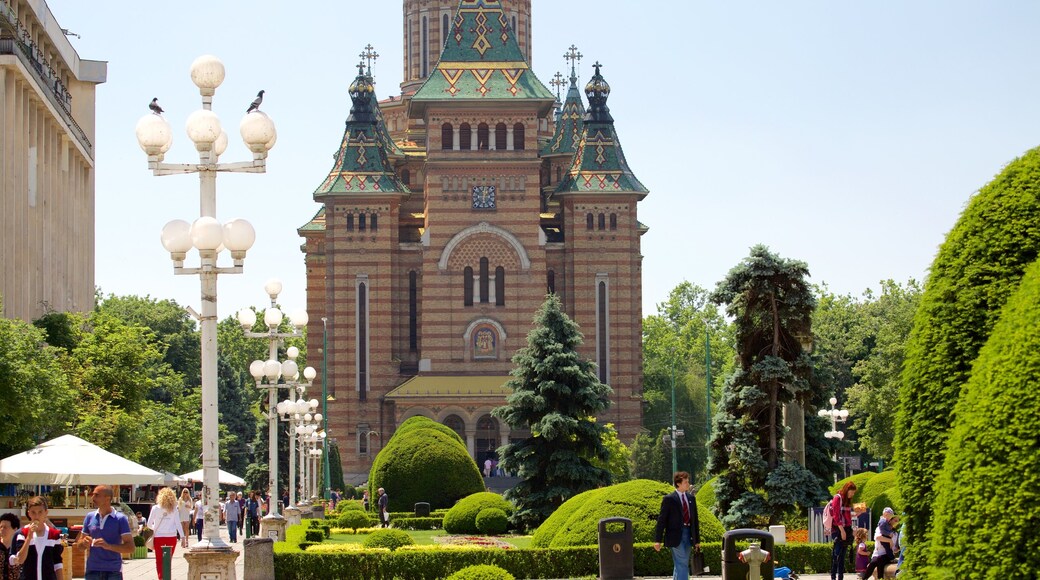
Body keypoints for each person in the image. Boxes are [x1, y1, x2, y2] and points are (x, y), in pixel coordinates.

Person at [77, 485, 134, 580]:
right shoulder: (90, 517)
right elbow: (79, 546)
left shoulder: (120, 519)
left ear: (107, 498)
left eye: (96, 495)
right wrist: (83, 543)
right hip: (92, 570)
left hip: (113, 571)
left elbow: (130, 548)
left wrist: (109, 546)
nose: (92, 498)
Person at [654, 471, 701, 580]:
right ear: (678, 483)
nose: (688, 484)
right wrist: (657, 540)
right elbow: (662, 520)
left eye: (688, 481)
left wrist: (697, 540)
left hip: (689, 534)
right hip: (675, 536)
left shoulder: (691, 498)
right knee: (682, 563)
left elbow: (695, 520)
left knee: (680, 564)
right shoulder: (669, 499)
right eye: (685, 482)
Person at [11, 497, 63, 580]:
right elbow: (20, 560)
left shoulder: (54, 534)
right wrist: (29, 537)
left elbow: (57, 562)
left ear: (46, 513)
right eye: (33, 512)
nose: (37, 516)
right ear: (29, 514)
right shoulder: (22, 533)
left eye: (40, 512)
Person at [146, 488, 181, 580]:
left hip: (159, 537)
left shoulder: (155, 508)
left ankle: (161, 577)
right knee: (168, 560)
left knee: (159, 560)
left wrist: (156, 528)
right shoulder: (174, 509)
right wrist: (183, 537)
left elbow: (149, 524)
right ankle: (167, 577)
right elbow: (178, 523)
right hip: (171, 537)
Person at [828, 481, 858, 580]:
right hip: (838, 529)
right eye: (851, 492)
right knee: (836, 554)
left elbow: (847, 516)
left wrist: (858, 513)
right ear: (846, 490)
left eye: (853, 493)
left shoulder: (847, 501)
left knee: (842, 556)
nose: (852, 494)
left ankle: (840, 577)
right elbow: (836, 516)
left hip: (846, 529)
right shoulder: (838, 498)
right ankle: (833, 577)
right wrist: (842, 531)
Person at [861, 513, 899, 579]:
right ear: (890, 520)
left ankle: (879, 578)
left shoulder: (895, 534)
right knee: (874, 562)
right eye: (895, 521)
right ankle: (865, 578)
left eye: (898, 521)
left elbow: (894, 549)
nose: (897, 523)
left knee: (879, 560)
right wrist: (889, 541)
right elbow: (878, 537)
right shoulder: (880, 528)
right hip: (878, 553)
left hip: (887, 555)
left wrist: (898, 549)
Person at [1, 512, 25, 580]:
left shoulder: (20, 548)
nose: (2, 529)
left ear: (15, 529)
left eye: (5, 527)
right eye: (1, 527)